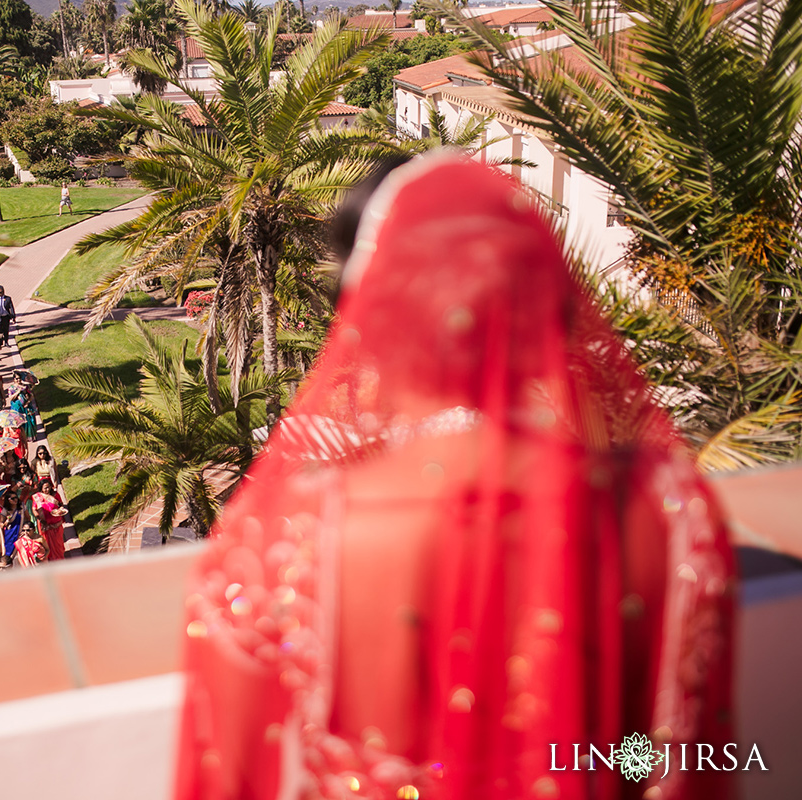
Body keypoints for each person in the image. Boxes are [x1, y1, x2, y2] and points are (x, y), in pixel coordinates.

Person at [173, 156, 737, 799]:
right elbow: (662, 761)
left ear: (368, 317)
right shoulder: (670, 514)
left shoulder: (280, 543)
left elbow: (230, 780)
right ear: (552, 310)